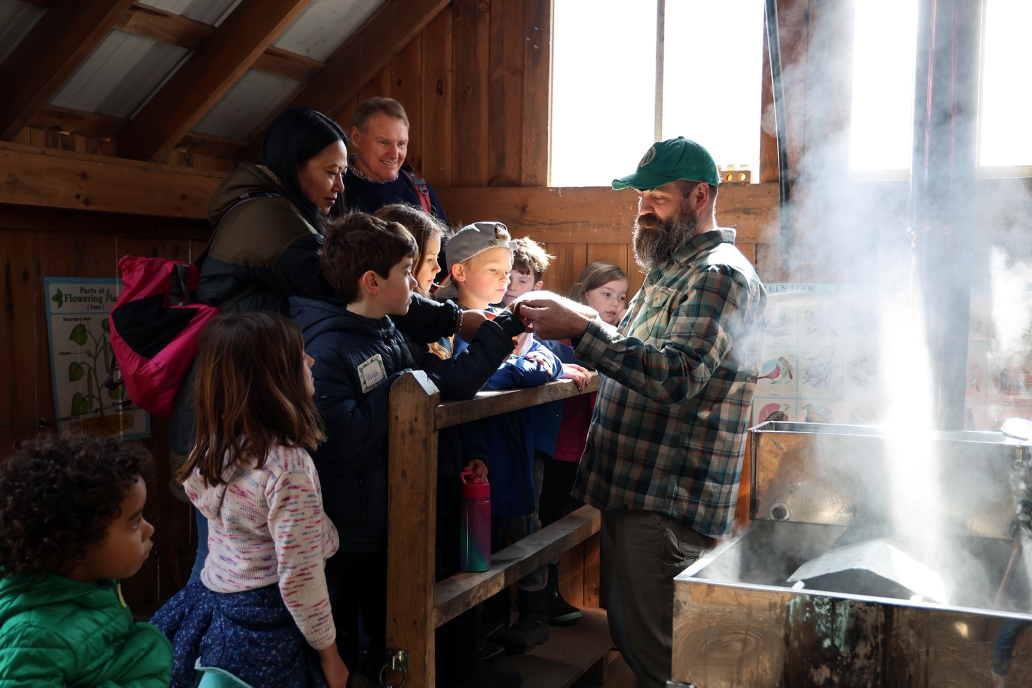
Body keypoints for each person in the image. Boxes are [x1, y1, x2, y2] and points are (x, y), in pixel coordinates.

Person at [171, 108, 478, 588]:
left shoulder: (289, 212)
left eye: (342, 171)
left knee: (241, 561)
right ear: (295, 164)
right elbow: (351, 286)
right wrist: (453, 318)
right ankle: (200, 653)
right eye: (331, 172)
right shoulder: (268, 217)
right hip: (229, 406)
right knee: (221, 567)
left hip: (247, 400)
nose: (340, 185)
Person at [515, 137, 767, 688]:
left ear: (700, 196)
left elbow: (676, 375)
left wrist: (580, 328)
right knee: (638, 641)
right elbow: (631, 344)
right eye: (640, 199)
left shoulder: (719, 275)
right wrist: (574, 315)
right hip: (637, 492)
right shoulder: (671, 270)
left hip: (668, 499)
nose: (643, 211)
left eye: (656, 198)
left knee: (666, 658)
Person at [290, 212, 530, 687]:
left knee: (390, 639)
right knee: (340, 645)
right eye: (408, 271)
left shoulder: (389, 332)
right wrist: (397, 390)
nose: (416, 283)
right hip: (345, 529)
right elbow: (340, 442)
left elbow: (446, 384)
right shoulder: (330, 346)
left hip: (387, 521)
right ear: (373, 281)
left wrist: (498, 333)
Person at [152, 312, 348, 688]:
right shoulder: (288, 469)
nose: (311, 361)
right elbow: (300, 580)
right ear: (271, 381)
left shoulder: (214, 446)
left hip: (216, 606)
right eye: (299, 356)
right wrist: (331, 655)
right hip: (268, 623)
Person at [436, 223, 576, 657]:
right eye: (495, 270)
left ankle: (487, 636)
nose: (504, 279)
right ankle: (466, 649)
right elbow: (481, 374)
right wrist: (519, 367)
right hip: (471, 455)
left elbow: (546, 361)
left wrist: (526, 365)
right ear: (458, 271)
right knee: (470, 548)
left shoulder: (502, 317)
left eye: (508, 270)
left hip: (503, 451)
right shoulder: (449, 323)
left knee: (497, 542)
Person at [0, 434, 171, 687]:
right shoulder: (36, 639)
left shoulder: (91, 583)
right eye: (134, 523)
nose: (149, 529)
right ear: (79, 546)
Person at [344, 97, 448, 221]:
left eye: (401, 144)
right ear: (356, 138)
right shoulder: (335, 190)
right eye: (384, 142)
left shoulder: (421, 191)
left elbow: (444, 240)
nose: (394, 154)